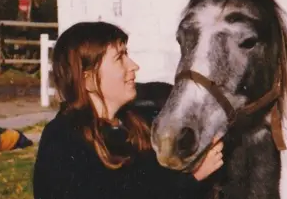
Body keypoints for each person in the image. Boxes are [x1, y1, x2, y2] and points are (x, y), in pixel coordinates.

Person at [33, 21, 224, 199]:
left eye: (127, 54)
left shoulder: (136, 123)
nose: (134, 66)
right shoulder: (62, 141)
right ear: (88, 79)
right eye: (119, 58)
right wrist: (193, 180)